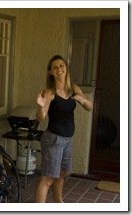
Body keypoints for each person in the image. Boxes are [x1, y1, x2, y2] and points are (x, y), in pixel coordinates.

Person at [34, 55, 93, 203]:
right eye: (55, 67)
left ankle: (58, 202)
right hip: (54, 138)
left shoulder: (74, 88)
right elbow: (41, 117)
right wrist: (41, 106)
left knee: (61, 173)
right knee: (47, 178)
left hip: (68, 138)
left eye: (61, 65)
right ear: (51, 72)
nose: (59, 69)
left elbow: (89, 108)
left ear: (66, 68)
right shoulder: (50, 91)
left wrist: (84, 100)